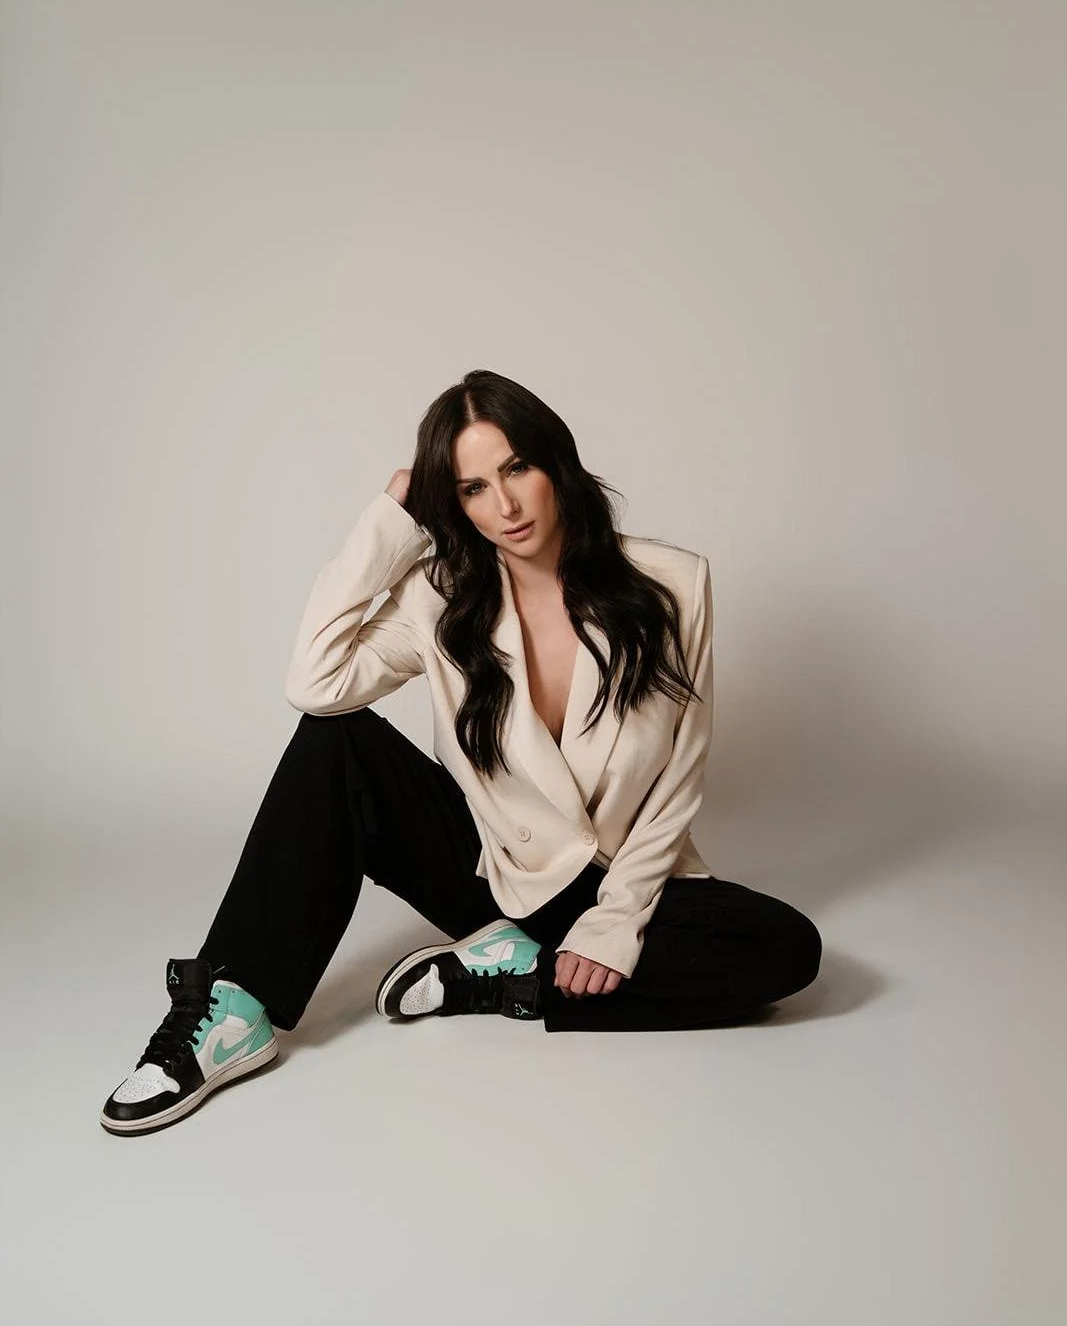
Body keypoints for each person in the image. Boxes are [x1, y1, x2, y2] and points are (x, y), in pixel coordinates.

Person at [100, 370, 822, 1135]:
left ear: (556, 464)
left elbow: (679, 774)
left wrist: (616, 920)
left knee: (784, 949)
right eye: (472, 488)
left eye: (516, 469)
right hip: (492, 875)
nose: (504, 507)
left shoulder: (672, 584)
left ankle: (509, 977)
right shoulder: (438, 593)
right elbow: (316, 681)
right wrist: (388, 520)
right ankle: (235, 1007)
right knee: (333, 738)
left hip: (616, 874)